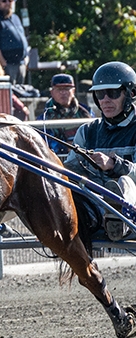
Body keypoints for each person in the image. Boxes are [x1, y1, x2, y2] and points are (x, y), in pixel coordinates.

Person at [63, 61, 136, 241]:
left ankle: (119, 218)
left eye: (112, 93)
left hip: (132, 204)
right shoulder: (87, 131)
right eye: (100, 94)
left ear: (131, 93)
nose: (105, 100)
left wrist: (114, 165)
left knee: (125, 182)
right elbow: (68, 173)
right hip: (95, 203)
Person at [38, 73, 93, 153]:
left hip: (85, 157)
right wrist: (65, 147)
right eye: (59, 89)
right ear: (52, 92)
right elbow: (42, 145)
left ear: (73, 91)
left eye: (67, 88)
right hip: (56, 160)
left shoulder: (87, 112)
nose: (63, 92)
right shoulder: (44, 118)